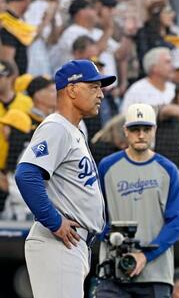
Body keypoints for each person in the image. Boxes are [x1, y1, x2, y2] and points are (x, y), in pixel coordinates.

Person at [14, 59, 116, 298]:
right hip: (58, 241)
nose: (101, 94)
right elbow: (26, 174)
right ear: (71, 89)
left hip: (72, 244)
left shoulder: (74, 130)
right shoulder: (57, 127)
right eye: (93, 87)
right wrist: (55, 221)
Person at [96, 103, 179, 297]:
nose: (141, 134)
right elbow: (96, 215)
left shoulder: (168, 170)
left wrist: (145, 255)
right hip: (113, 271)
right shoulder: (107, 166)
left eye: (146, 129)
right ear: (125, 131)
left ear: (155, 130)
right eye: (135, 129)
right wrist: (110, 237)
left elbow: (175, 223)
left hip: (156, 273)